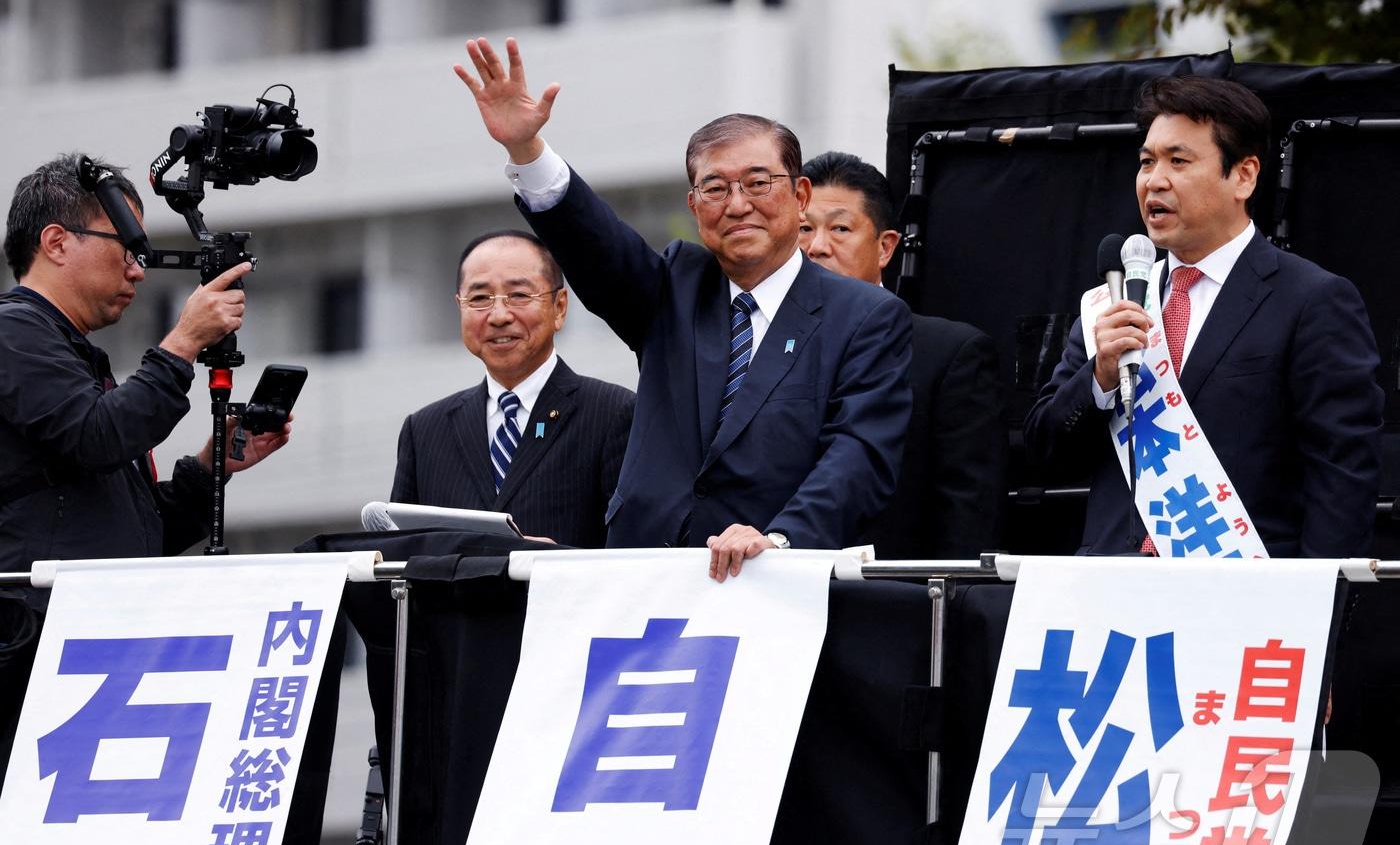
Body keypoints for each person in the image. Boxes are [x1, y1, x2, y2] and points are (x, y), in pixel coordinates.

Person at [454, 37, 912, 580]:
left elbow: (858, 454)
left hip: (775, 586)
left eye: (758, 183)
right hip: (645, 578)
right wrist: (528, 151)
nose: (738, 204)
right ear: (694, 206)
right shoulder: (676, 286)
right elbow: (598, 247)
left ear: (801, 195)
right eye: (715, 188)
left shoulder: (863, 316)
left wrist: (781, 539)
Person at [1023, 76, 1382, 558]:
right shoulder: (1112, 302)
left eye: (1179, 160)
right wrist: (1101, 377)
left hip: (1239, 598)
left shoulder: (1312, 300)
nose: (1155, 180)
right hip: (1109, 598)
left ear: (1244, 176)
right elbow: (1045, 453)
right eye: (1146, 161)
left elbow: (1342, 479)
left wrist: (1317, 609)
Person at [0, 153, 292, 608]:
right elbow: (98, 436)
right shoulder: (12, 331)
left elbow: (135, 535)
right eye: (126, 246)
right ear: (56, 243)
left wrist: (209, 469)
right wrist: (184, 341)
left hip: (83, 634)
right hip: (34, 643)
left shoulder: (69, 350)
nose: (138, 268)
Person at [799, 151, 1006, 559]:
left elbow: (967, 528)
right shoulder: (755, 348)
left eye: (840, 228)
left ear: (885, 247)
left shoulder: (950, 355)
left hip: (894, 604)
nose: (816, 247)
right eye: (803, 229)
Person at [390, 230, 635, 548]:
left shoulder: (614, 413)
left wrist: (553, 561)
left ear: (559, 307)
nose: (500, 316)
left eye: (519, 295)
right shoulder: (423, 431)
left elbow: (634, 551)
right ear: (459, 307)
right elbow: (399, 554)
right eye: (479, 299)